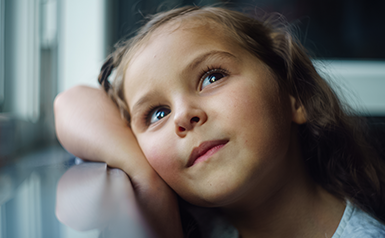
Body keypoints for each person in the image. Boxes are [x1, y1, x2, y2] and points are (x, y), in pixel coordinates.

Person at [54, 6, 385, 238]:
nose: (183, 116)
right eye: (157, 114)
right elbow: (69, 103)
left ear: (293, 95)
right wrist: (145, 178)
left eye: (211, 77)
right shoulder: (196, 222)